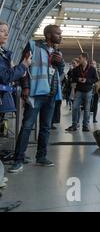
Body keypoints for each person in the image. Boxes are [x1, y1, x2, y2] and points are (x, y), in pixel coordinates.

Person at [9, 25, 64, 173]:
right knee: (27, 126)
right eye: (57, 33)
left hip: (51, 95)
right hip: (35, 93)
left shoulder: (58, 52)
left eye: (60, 33)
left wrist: (61, 64)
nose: (60, 35)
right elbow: (24, 67)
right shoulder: (33, 45)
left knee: (45, 128)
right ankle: (18, 160)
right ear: (48, 34)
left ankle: (41, 157)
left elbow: (60, 74)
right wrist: (25, 87)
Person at [0, 21, 32, 180]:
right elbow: (6, 76)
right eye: (2, 31)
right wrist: (23, 65)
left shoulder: (5, 53)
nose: (6, 34)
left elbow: (12, 74)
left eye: (7, 31)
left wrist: (19, 69)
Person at [66, 53, 98, 132]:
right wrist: (78, 79)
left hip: (88, 91)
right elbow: (73, 78)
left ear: (85, 59)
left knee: (87, 109)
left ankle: (85, 126)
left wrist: (87, 80)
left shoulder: (92, 69)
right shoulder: (77, 69)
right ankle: (74, 125)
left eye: (80, 58)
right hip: (79, 91)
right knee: (75, 107)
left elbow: (95, 79)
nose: (79, 59)